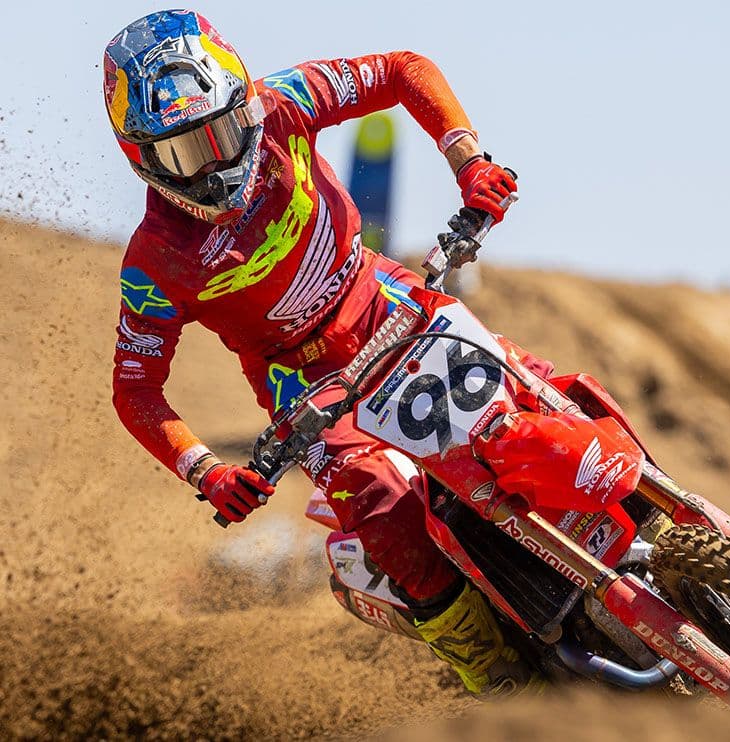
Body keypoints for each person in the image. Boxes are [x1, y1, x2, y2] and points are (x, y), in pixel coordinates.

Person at [103, 9, 617, 696]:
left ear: (245, 105)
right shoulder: (154, 262)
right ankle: (494, 672)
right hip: (303, 384)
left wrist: (468, 162)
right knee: (380, 504)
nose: (212, 163)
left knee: (544, 396)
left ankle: (664, 514)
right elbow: (135, 389)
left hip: (390, 300)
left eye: (220, 133)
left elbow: (404, 69)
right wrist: (206, 471)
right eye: (183, 153)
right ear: (141, 156)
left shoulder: (286, 102)